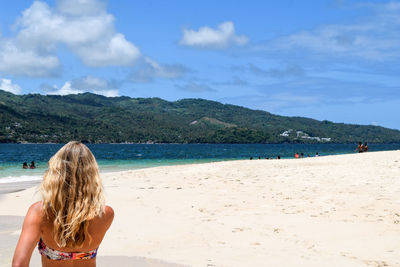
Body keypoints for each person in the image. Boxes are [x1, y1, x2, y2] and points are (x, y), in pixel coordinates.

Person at [12, 141, 114, 267]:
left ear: (57, 172)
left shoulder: (40, 212)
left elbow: (19, 264)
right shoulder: (105, 213)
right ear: (92, 173)